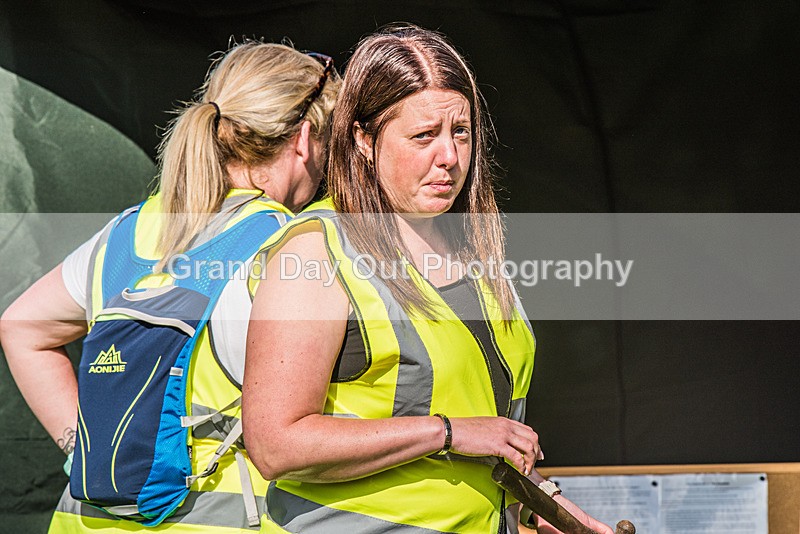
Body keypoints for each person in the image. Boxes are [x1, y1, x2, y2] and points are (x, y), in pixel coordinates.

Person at [243, 24, 611, 534]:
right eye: (423, 136)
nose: (450, 158)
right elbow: (275, 445)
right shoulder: (315, 253)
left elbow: (482, 434)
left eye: (460, 132)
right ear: (364, 140)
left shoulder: (473, 250)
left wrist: (547, 508)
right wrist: (447, 433)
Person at [0, 40, 339, 533]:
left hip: (85, 521)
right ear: (305, 140)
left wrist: (85, 445)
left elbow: (20, 327)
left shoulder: (130, 230)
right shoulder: (291, 242)